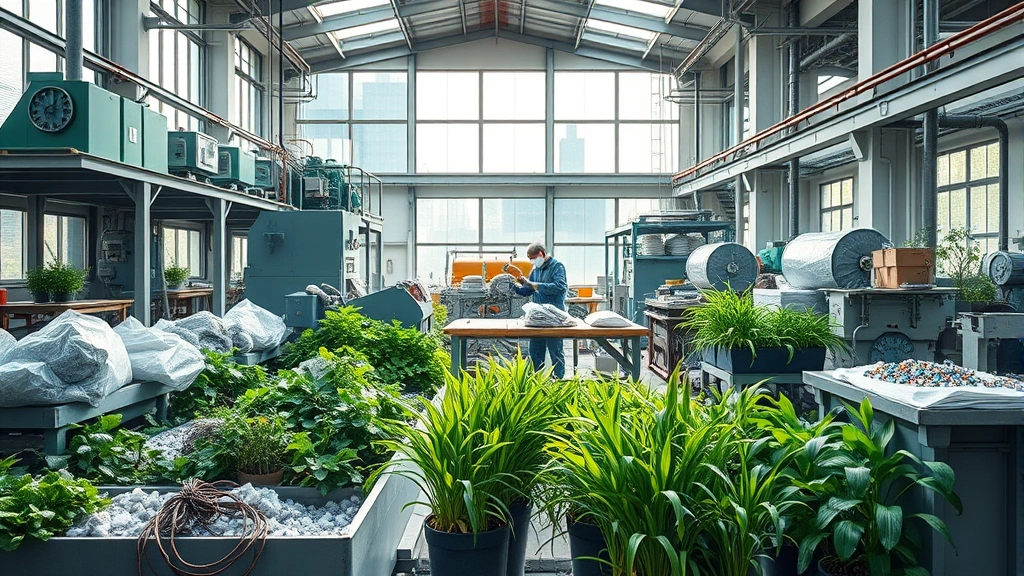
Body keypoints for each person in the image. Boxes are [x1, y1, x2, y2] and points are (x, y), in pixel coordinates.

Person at [511, 241, 568, 378]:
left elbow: (560, 287)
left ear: (541, 254)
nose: (532, 261)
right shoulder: (535, 270)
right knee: (535, 351)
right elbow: (529, 290)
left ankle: (559, 382)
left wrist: (535, 285)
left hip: (554, 317)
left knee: (555, 352)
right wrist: (515, 287)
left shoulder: (557, 266)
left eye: (532, 258)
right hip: (537, 317)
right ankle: (538, 381)